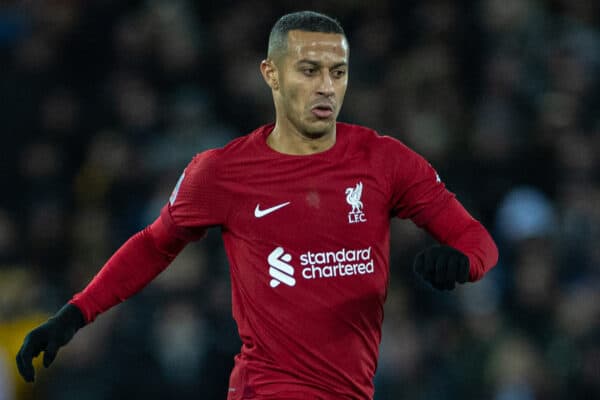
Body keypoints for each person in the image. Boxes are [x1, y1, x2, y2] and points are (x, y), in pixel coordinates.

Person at [16, 10, 498, 400]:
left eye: (338, 72)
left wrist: (463, 262)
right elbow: (154, 245)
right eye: (309, 70)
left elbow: (477, 240)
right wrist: (75, 314)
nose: (325, 86)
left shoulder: (385, 160)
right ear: (271, 73)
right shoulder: (221, 172)